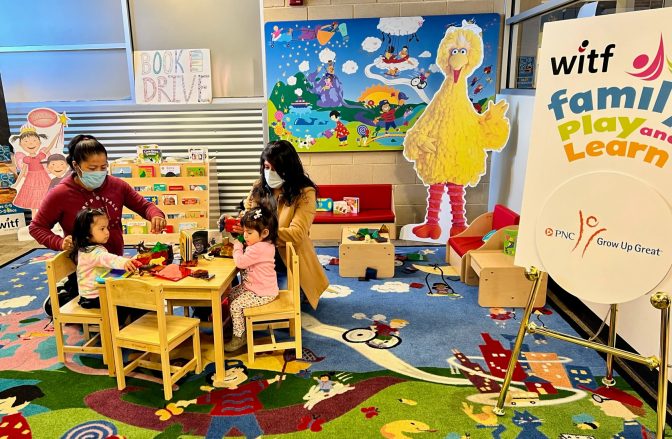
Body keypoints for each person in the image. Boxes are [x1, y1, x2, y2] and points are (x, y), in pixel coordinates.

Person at [29, 134, 166, 295]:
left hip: (116, 264)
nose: (99, 173)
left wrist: (155, 215)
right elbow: (37, 227)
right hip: (85, 272)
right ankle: (68, 292)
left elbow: (144, 206)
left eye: (103, 167)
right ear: (76, 165)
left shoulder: (117, 186)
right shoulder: (60, 194)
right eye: (92, 169)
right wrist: (59, 242)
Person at [221, 140, 329, 310]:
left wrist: (262, 233)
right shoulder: (258, 187)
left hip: (287, 263)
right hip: (260, 260)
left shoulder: (305, 193)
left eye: (275, 168)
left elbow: (296, 234)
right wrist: (236, 224)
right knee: (246, 300)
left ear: (288, 169)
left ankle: (303, 291)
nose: (270, 173)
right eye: (266, 167)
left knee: (281, 310)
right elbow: (247, 217)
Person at [224, 206, 279, 352]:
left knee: (236, 305)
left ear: (264, 233)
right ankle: (237, 323)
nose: (245, 236)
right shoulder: (263, 244)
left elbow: (240, 262)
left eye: (249, 232)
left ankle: (239, 336)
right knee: (232, 294)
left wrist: (237, 247)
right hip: (255, 287)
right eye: (244, 232)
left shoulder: (258, 248)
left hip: (262, 292)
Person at [70, 208, 137, 309]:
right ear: (86, 234)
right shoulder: (92, 253)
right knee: (129, 302)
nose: (107, 232)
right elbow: (108, 259)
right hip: (94, 298)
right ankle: (116, 323)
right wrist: (124, 262)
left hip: (93, 294)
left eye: (107, 228)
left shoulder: (88, 249)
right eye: (102, 229)